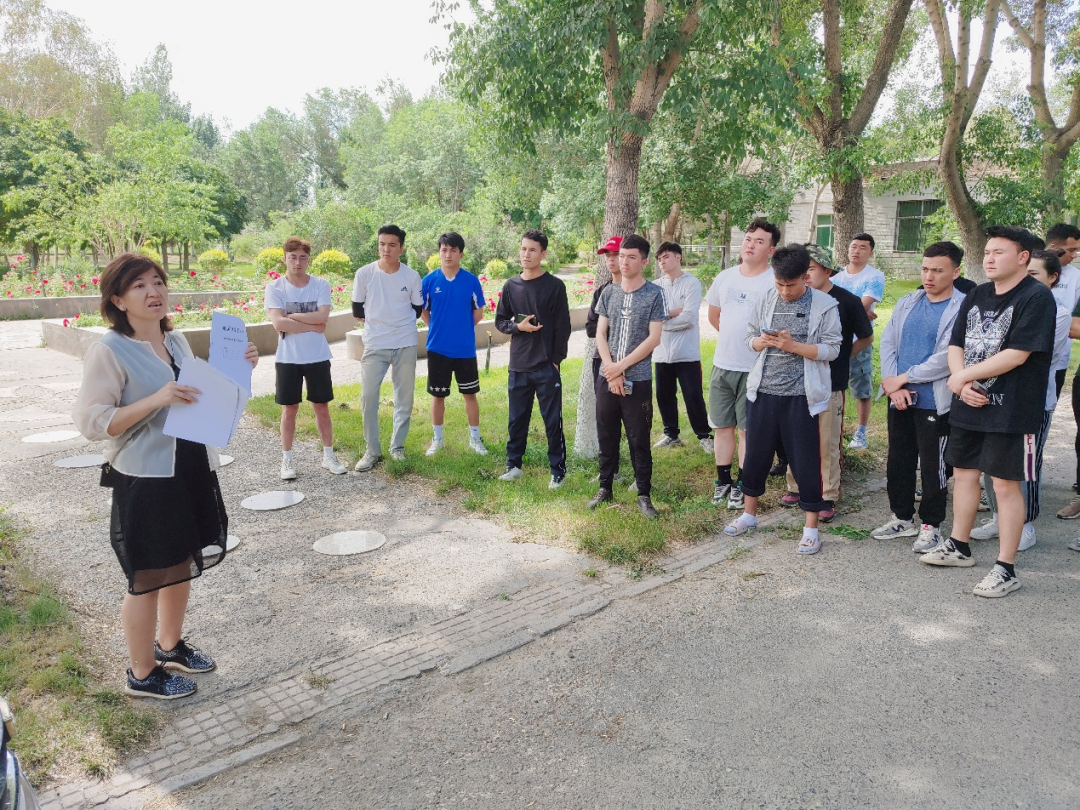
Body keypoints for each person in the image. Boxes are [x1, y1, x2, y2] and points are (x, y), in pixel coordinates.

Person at [73, 253, 259, 699]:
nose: (153, 291)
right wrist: (155, 400)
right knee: (147, 577)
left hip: (189, 464)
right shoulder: (109, 350)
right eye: (138, 285)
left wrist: (238, 368)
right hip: (146, 475)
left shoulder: (175, 342)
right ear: (118, 300)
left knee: (181, 561)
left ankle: (170, 645)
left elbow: (196, 395)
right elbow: (92, 422)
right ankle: (141, 673)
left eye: (157, 281)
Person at [919, 226, 1056, 598]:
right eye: (987, 252)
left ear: (1023, 257)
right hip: (969, 402)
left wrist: (963, 377)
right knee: (964, 474)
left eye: (999, 252)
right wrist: (962, 384)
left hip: (1011, 409)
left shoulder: (1036, 296)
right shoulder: (978, 293)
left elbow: (1018, 354)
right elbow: (956, 343)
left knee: (1005, 484)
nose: (989, 258)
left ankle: (1006, 568)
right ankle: (958, 546)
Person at [723, 244, 841, 554]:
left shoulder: (825, 305)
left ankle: (811, 529)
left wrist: (794, 346)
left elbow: (833, 349)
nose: (785, 291)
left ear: (806, 277)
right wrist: (760, 342)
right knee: (755, 457)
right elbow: (749, 337)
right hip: (762, 392)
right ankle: (749, 515)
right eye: (780, 284)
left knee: (805, 461)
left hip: (802, 397)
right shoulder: (766, 298)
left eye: (791, 285)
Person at [871, 241, 967, 553]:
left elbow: (947, 357)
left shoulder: (962, 308)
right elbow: (888, 343)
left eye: (937, 270)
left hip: (934, 401)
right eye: (925, 269)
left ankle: (931, 525)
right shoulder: (908, 302)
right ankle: (901, 518)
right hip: (900, 398)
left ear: (956, 272)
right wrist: (893, 386)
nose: (929, 276)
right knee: (898, 460)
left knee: (933, 466)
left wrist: (905, 377)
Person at [975, 249, 1070, 549]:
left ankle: (1025, 524)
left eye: (1034, 274)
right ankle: (998, 517)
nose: (1026, 279)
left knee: (1026, 467)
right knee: (992, 463)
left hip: (1032, 401)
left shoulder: (1058, 312)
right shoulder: (1009, 306)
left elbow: (1027, 355)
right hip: (995, 395)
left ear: (1052, 278)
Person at [779, 244, 872, 522]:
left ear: (827, 270)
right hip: (796, 381)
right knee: (797, 437)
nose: (805, 276)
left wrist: (844, 356)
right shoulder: (795, 298)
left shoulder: (847, 301)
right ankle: (796, 487)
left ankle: (827, 495)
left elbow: (866, 336)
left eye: (810, 269)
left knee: (827, 440)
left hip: (831, 381)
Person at [589, 234, 667, 518]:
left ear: (644, 262)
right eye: (622, 256)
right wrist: (611, 370)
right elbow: (600, 333)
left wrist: (620, 367)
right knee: (606, 433)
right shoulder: (609, 293)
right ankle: (605, 487)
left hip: (639, 377)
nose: (624, 261)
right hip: (607, 376)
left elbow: (653, 338)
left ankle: (644, 494)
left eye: (631, 257)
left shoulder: (654, 294)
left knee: (639, 437)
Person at [705, 218, 780, 510]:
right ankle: (722, 480)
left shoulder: (774, 281)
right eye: (748, 239)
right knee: (722, 426)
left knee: (747, 430)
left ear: (771, 250)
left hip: (756, 368)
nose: (750, 245)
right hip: (723, 365)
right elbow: (714, 316)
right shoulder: (725, 277)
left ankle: (742, 483)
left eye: (759, 241)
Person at [265, 237, 348, 479]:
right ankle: (287, 460)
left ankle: (328, 455)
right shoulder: (275, 288)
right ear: (285, 259)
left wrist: (291, 316)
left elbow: (323, 318)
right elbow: (278, 323)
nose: (297, 262)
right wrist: (313, 325)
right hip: (288, 358)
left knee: (321, 407)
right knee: (289, 409)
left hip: (317, 357)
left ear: (308, 260)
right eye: (292, 257)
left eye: (302, 257)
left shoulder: (320, 284)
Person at [495, 229, 571, 488]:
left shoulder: (555, 286)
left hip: (546, 365)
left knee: (552, 421)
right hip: (518, 365)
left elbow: (563, 326)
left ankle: (558, 472)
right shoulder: (511, 286)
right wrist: (518, 327)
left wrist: (556, 360)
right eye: (523, 248)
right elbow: (500, 321)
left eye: (532, 250)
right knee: (517, 419)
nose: (526, 254)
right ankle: (513, 465)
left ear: (543, 254)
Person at [351, 225, 423, 471]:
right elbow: (357, 309)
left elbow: (417, 309)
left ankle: (397, 447)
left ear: (401, 248)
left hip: (405, 342)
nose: (386, 249)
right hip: (375, 343)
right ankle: (372, 450)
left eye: (392, 245)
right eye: (382, 244)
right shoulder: (364, 274)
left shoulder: (411, 276)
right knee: (368, 397)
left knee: (404, 398)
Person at [420, 232, 488, 456]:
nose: (448, 254)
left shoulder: (470, 281)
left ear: (461, 254)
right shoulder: (429, 281)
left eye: (453, 250)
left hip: (464, 349)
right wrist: (437, 327)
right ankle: (437, 440)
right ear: (439, 252)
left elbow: (478, 312)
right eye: (444, 250)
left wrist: (462, 328)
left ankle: (475, 439)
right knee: (438, 395)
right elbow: (424, 311)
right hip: (437, 348)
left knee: (470, 394)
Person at [652, 242, 713, 453]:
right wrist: (671, 313)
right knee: (664, 395)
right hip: (661, 353)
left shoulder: (691, 283)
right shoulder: (655, 286)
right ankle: (671, 434)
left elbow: (688, 317)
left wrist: (661, 322)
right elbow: (651, 317)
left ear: (678, 257)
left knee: (693, 395)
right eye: (659, 259)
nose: (662, 262)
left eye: (666, 257)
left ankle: (704, 435)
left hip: (687, 353)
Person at [833, 233, 886, 450]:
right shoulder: (835, 277)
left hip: (859, 339)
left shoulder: (875, 276)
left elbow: (862, 304)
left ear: (871, 253)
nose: (856, 251)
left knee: (861, 388)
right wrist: (859, 312)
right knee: (834, 387)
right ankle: (835, 429)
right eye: (853, 246)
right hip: (835, 339)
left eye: (863, 247)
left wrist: (859, 311)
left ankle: (861, 433)